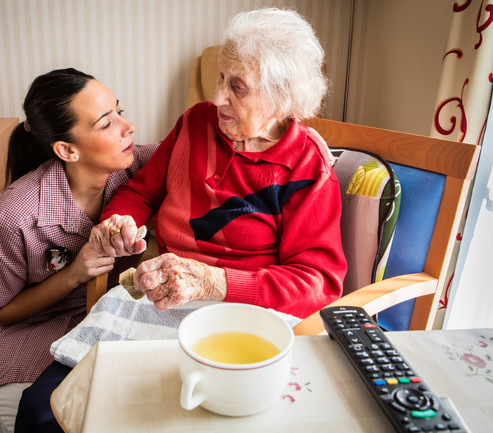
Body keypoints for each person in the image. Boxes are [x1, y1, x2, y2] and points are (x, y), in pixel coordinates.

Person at [91, 7, 347, 318]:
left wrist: (215, 282)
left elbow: (316, 283)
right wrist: (120, 223)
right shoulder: (196, 122)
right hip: (168, 295)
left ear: (282, 99)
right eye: (221, 77)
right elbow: (141, 193)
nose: (217, 98)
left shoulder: (306, 166)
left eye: (237, 87)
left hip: (251, 311)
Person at [0, 68, 157, 433]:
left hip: (99, 310)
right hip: (21, 328)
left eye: (120, 110)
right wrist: (75, 273)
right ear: (67, 149)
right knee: (57, 415)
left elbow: (193, 142)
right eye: (106, 123)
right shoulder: (11, 216)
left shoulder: (135, 168)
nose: (128, 126)